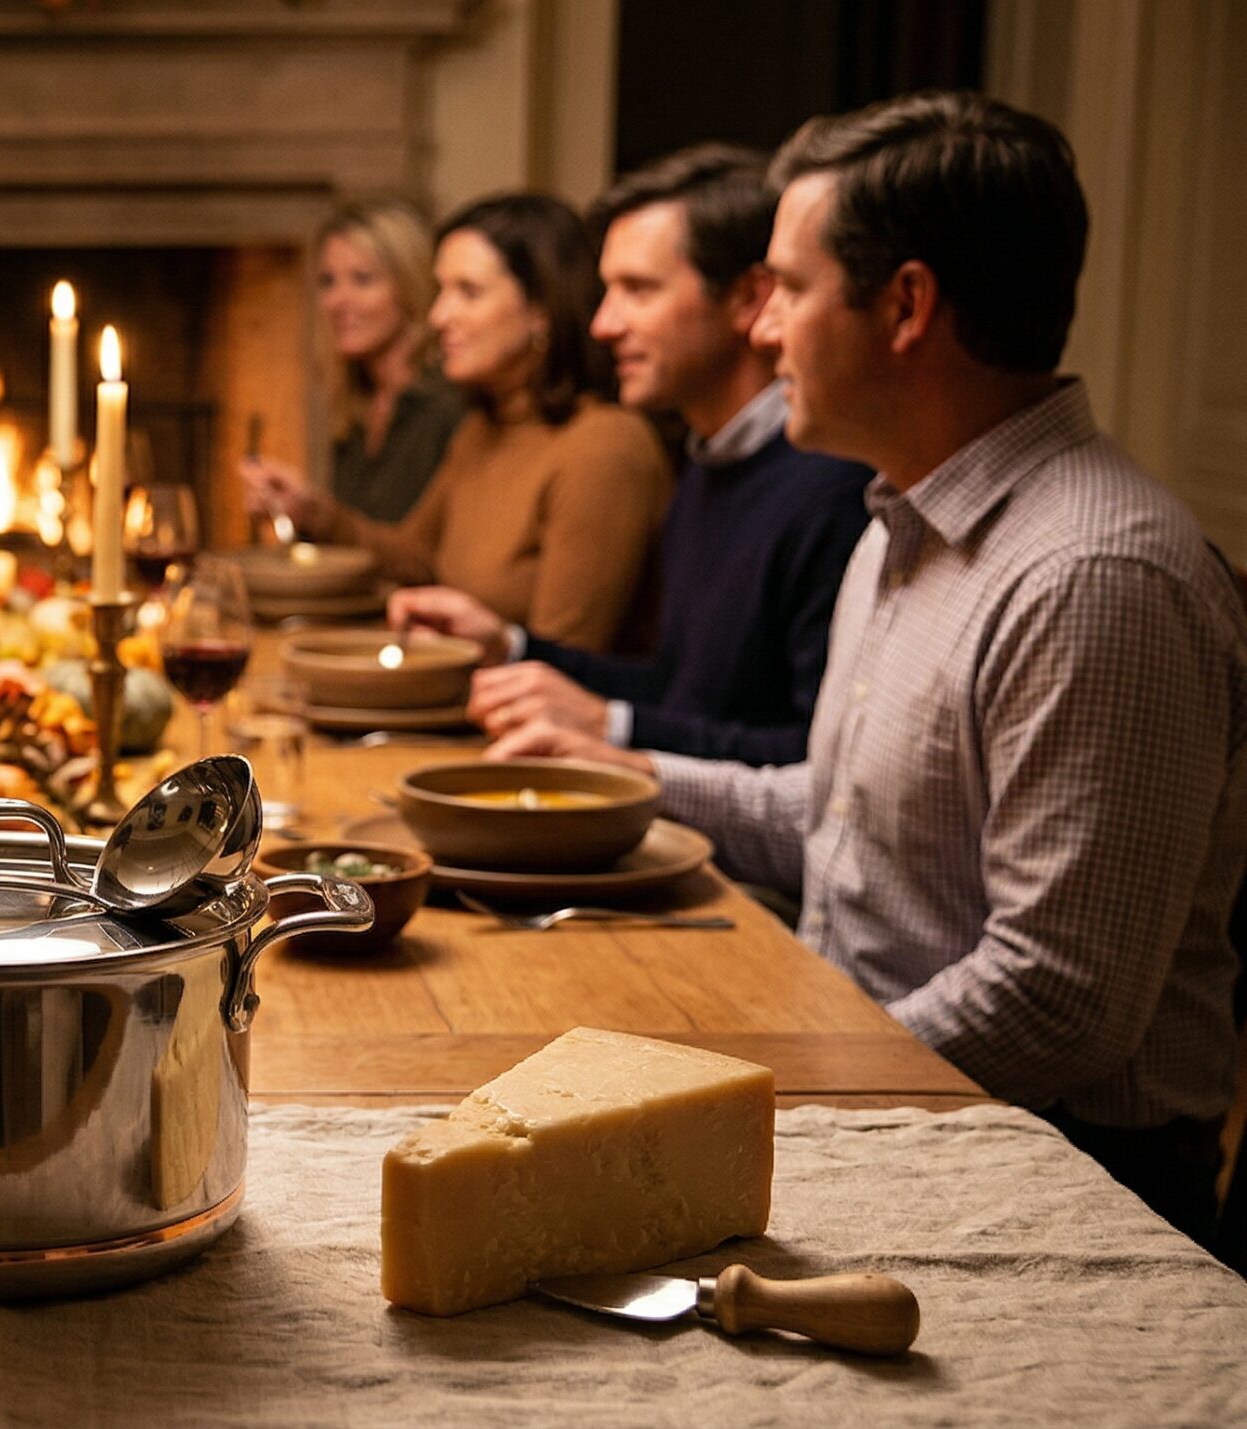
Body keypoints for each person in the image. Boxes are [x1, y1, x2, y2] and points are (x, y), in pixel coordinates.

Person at [500, 93, 1247, 1241]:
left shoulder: (1095, 574)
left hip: (1058, 1181)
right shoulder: (900, 517)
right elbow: (844, 814)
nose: (762, 332)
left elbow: (1057, 1003)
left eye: (789, 291)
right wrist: (620, 776)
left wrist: (769, 1085)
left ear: (904, 307)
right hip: (873, 1085)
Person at [393, 147, 873, 765]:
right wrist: (511, 646)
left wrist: (613, 726)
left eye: (638, 290)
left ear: (748, 299)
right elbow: (680, 698)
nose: (601, 324)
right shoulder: (709, 462)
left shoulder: (830, 489)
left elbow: (820, 774)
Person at [245, 194, 671, 652]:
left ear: (541, 309)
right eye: (441, 291)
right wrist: (313, 512)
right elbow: (416, 557)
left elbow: (562, 664)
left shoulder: (603, 448)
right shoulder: (484, 429)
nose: (438, 316)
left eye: (468, 292)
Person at [243, 204, 465, 524]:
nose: (337, 301)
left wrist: (317, 514)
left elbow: (423, 554)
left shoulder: (449, 404)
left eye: (362, 279)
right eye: (327, 281)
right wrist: (296, 509)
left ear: (409, 286)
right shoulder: (356, 406)